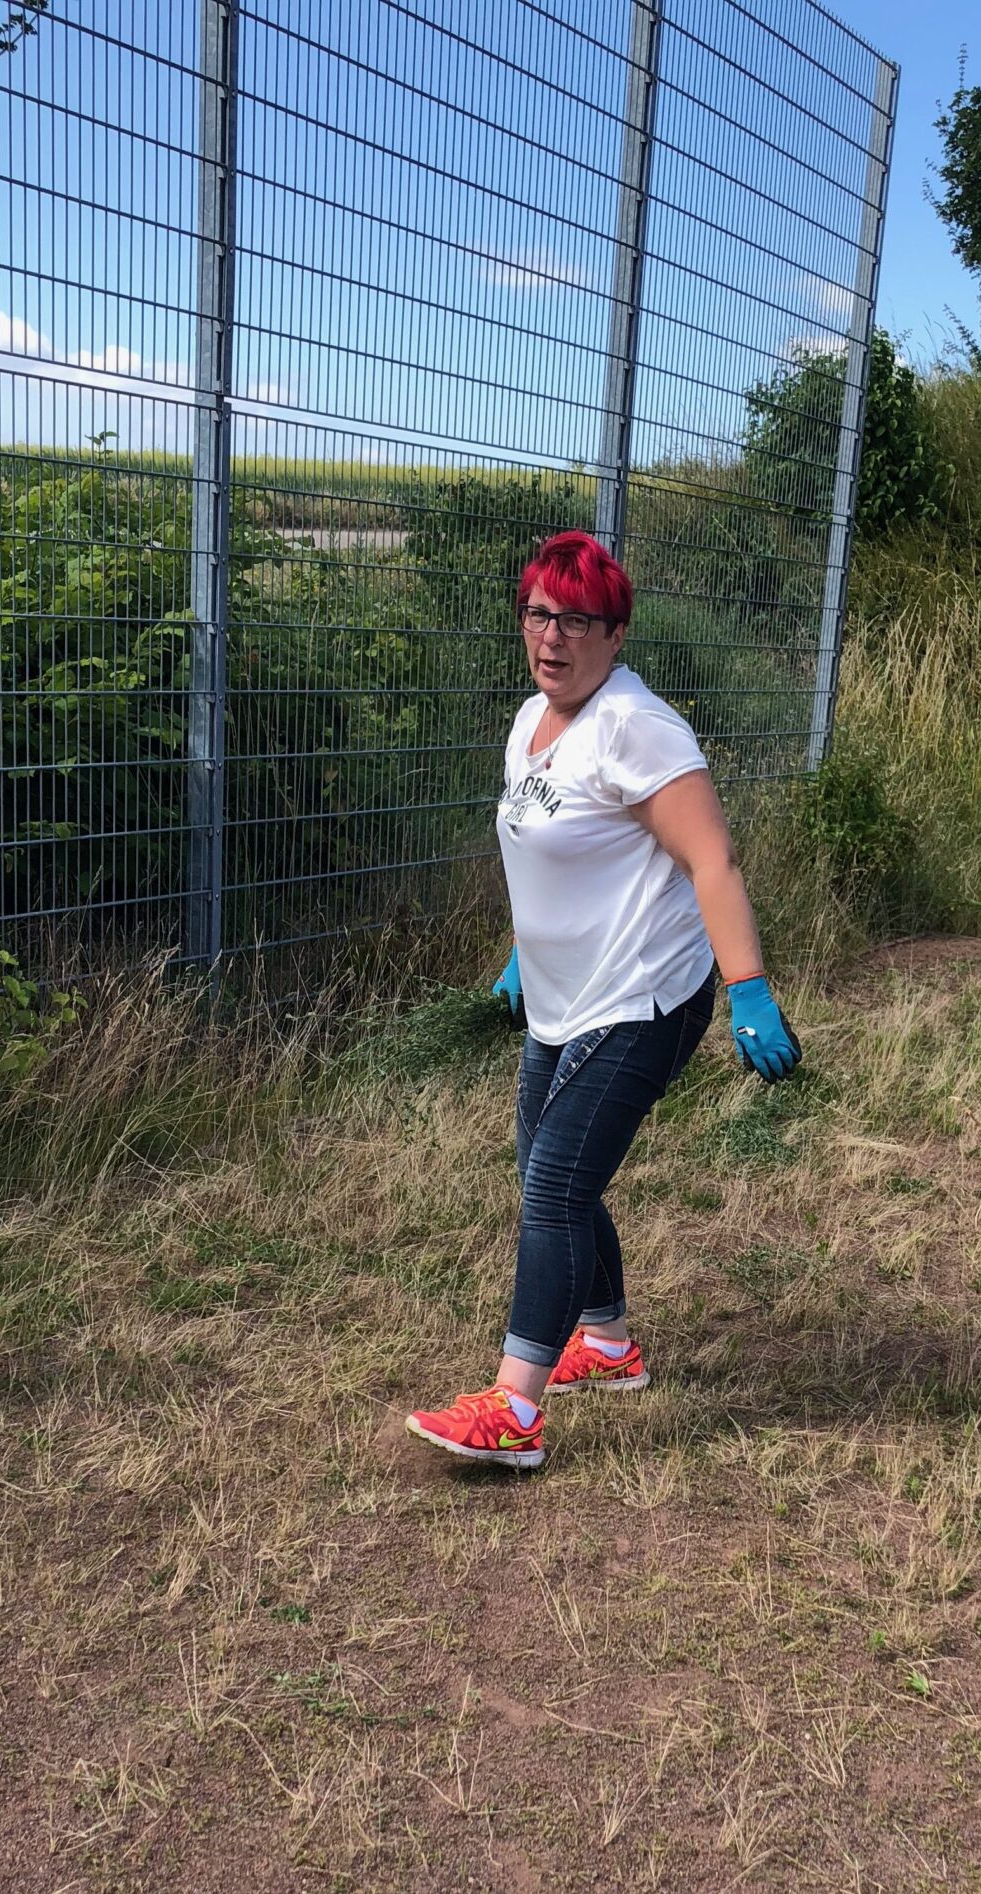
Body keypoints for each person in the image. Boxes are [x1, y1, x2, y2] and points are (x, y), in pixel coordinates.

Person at [407, 531, 800, 1471]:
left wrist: (748, 988)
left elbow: (712, 861)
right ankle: (609, 1344)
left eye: (577, 621)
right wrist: (521, 954)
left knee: (555, 1187)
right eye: (539, 614)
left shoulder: (636, 726)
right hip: (562, 996)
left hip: (643, 996)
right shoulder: (531, 722)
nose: (552, 637)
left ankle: (515, 1408)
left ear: (616, 634)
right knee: (549, 1171)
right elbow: (553, 854)